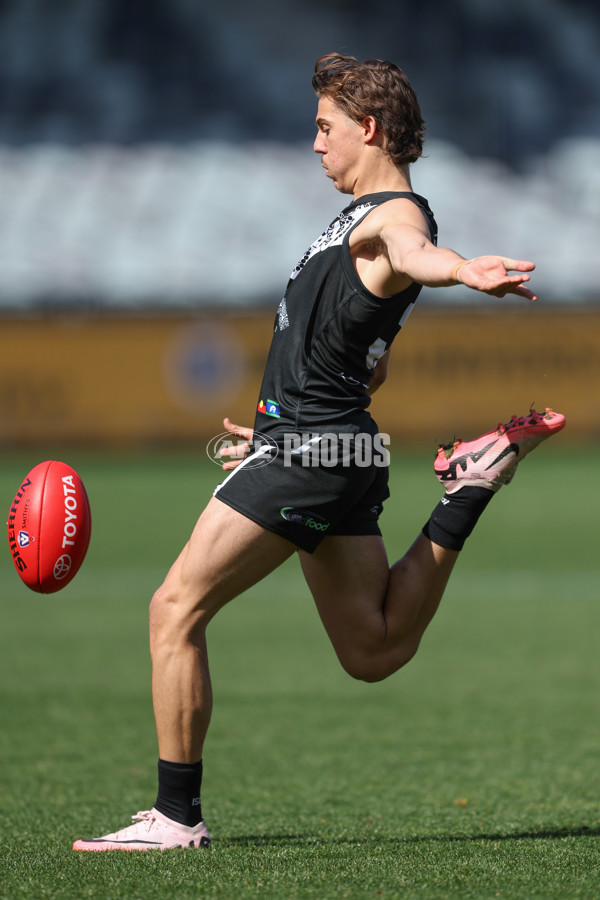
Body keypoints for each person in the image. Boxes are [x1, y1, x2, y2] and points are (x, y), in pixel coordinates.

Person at [73, 52, 565, 851]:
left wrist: (462, 271)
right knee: (373, 650)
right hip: (328, 444)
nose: (315, 144)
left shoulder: (392, 214)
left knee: (174, 608)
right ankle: (466, 491)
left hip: (313, 450)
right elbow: (364, 345)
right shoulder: (351, 220)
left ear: (368, 128)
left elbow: (414, 252)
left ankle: (175, 818)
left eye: (324, 127)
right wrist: (273, 430)